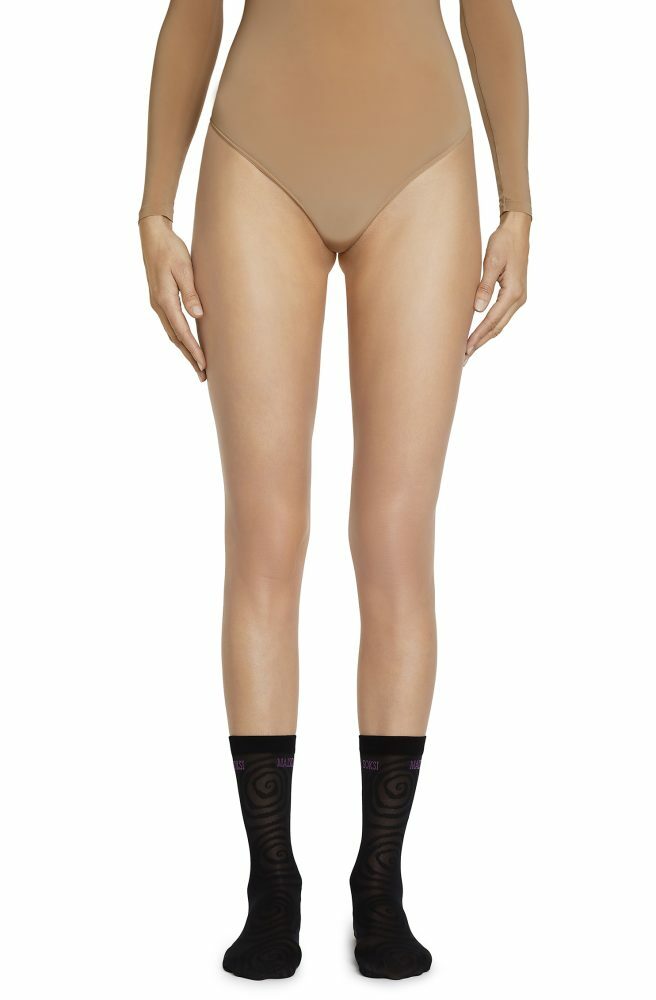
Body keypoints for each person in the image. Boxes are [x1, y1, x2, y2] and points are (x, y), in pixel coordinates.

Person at [138, 0, 531, 981]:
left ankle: (380, 878)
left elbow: (488, 5)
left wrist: (518, 200)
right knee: (264, 535)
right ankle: (271, 881)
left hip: (422, 159)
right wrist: (153, 206)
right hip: (256, 156)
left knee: (395, 540)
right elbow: (193, 6)